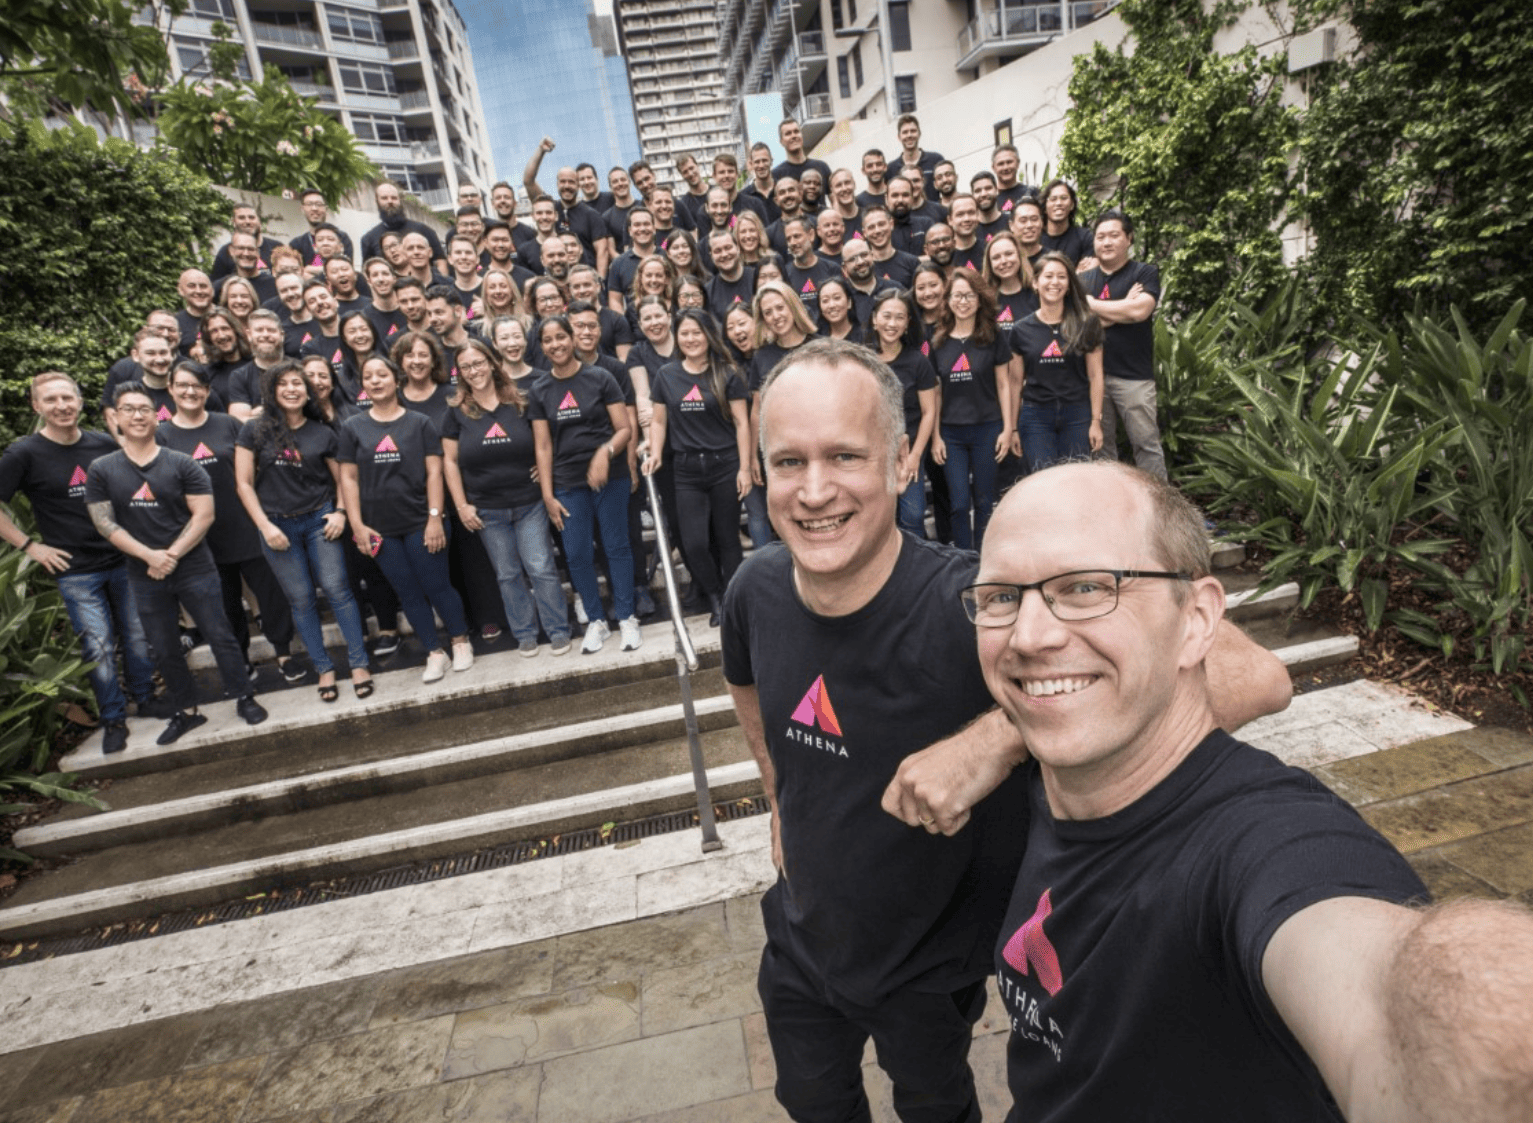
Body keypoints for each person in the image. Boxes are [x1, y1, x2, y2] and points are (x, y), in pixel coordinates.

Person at [724, 341, 1291, 1123]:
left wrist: (994, 737)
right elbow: (747, 686)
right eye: (789, 461)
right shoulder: (753, 587)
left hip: (927, 963)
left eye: (844, 456)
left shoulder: (978, 603)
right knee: (811, 1100)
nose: (814, 490)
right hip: (799, 936)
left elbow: (1256, 674)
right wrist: (776, 800)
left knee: (936, 1106)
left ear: (899, 463)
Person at [972, 461, 1533, 1122]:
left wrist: (1480, 1038)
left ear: (1196, 620)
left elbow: (1394, 1002)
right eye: (1000, 597)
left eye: (1087, 587)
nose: (1029, 635)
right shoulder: (1053, 790)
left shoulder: (1261, 843)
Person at [86, 383, 268, 745]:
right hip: (143, 572)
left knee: (219, 633)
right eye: (128, 409)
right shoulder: (102, 469)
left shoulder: (182, 462)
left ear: (157, 417)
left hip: (194, 565)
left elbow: (204, 515)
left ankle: (244, 696)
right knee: (164, 644)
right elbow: (104, 524)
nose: (138, 416)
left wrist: (169, 555)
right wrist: (149, 556)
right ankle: (185, 710)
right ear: (116, 417)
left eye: (145, 409)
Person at [0, 372, 161, 754]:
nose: (62, 406)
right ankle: (113, 717)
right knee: (98, 646)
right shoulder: (23, 454)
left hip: (122, 560)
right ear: (36, 406)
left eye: (67, 398)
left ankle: (146, 698)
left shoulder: (102, 443)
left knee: (137, 635)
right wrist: (30, 546)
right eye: (51, 400)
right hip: (76, 571)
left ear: (79, 401)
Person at [159, 359, 300, 682]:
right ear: (171, 389)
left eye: (197, 386)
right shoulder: (161, 435)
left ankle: (284, 653)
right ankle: (241, 660)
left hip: (246, 524)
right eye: (182, 385)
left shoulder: (229, 425)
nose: (190, 392)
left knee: (271, 595)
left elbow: (255, 470)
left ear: (208, 390)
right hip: (202, 536)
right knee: (225, 604)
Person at [337, 355, 474, 683]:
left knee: (437, 585)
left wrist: (434, 517)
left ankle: (460, 641)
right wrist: (357, 525)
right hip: (379, 528)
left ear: (396, 379)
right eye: (369, 377)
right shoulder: (352, 427)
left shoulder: (420, 423)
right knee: (408, 592)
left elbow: (434, 472)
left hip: (421, 521)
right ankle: (434, 652)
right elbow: (349, 479)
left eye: (382, 374)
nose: (375, 381)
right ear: (363, 385)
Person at [442, 336, 571, 658]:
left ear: (492, 363)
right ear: (459, 373)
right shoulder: (456, 412)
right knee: (508, 574)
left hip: (529, 503)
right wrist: (461, 505)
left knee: (540, 567)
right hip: (487, 509)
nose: (474, 371)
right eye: (466, 367)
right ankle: (525, 633)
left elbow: (544, 444)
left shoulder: (522, 402)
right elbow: (450, 462)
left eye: (478, 363)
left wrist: (544, 473)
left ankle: (557, 629)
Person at [526, 315, 641, 655]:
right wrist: (547, 495)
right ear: (542, 347)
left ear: (572, 338)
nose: (556, 345)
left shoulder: (600, 377)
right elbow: (542, 446)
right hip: (567, 483)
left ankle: (627, 617)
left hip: (610, 478)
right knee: (576, 554)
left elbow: (624, 429)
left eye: (561, 337)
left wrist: (605, 453)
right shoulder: (540, 390)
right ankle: (596, 621)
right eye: (548, 340)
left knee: (616, 546)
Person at [643, 310, 752, 626]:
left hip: (724, 464)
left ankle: (731, 602)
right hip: (687, 470)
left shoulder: (727, 373)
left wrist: (745, 468)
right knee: (694, 544)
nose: (690, 339)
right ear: (676, 337)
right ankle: (714, 594)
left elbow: (742, 423)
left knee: (728, 540)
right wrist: (655, 452)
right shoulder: (666, 375)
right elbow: (658, 421)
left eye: (696, 332)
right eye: (684, 333)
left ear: (708, 335)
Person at [931, 268, 1016, 552]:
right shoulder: (938, 342)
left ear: (980, 300)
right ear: (948, 300)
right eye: (957, 296)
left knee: (983, 501)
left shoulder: (993, 337)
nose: (963, 302)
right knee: (957, 504)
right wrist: (935, 436)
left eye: (969, 296)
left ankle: (983, 555)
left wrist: (1008, 428)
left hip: (987, 428)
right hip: (951, 433)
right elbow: (935, 393)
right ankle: (963, 557)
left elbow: (1004, 384)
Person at [1080, 210, 1165, 479]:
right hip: (1094, 378)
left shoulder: (1144, 272)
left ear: (1128, 238)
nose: (1106, 242)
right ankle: (1109, 501)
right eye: (1100, 236)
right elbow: (1081, 326)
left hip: (1134, 377)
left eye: (1114, 235)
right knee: (1101, 448)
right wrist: (1124, 306)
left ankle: (1159, 503)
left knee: (1146, 445)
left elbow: (1140, 311)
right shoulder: (1083, 280)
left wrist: (1093, 305)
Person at [1014, 252, 1104, 474]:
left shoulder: (1087, 323)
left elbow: (1096, 375)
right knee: (1042, 480)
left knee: (1076, 479)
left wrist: (1095, 421)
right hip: (1036, 416)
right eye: (1048, 276)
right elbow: (1015, 382)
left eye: (1062, 277)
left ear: (1069, 284)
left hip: (1077, 414)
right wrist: (1013, 428)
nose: (1055, 282)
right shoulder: (1020, 330)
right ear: (1035, 283)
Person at [868, 290, 938, 538]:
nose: (892, 323)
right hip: (873, 451)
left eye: (899, 317)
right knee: (879, 517)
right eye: (886, 316)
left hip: (908, 450)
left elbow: (929, 411)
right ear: (874, 319)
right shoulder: (863, 360)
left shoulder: (918, 362)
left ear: (908, 323)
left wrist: (916, 455)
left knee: (913, 515)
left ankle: (915, 558)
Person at [360, 181, 447, 273]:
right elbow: (367, 272)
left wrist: (442, 281)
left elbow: (440, 262)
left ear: (400, 201)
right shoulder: (368, 239)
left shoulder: (424, 230)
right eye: (384, 198)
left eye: (394, 198)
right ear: (377, 202)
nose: (390, 201)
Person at [983, 231, 1039, 346]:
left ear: (1019, 255)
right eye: (996, 257)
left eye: (1008, 254)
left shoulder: (1038, 294)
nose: (1003, 261)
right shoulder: (985, 301)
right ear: (990, 264)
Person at [1038, 177, 1095, 269]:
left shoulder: (1085, 237)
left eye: (1064, 198)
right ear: (1044, 207)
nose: (1058, 203)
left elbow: (1090, 271)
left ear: (1072, 205)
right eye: (1053, 199)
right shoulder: (1036, 239)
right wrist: (1075, 272)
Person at [291, 188, 354, 266]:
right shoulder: (296, 244)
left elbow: (347, 267)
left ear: (326, 208)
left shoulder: (342, 237)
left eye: (319, 204)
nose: (314, 208)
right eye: (309, 204)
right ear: (302, 209)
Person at [773, 119, 833, 187]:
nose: (793, 136)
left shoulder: (822, 167)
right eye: (788, 133)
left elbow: (833, 192)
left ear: (802, 135)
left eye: (796, 131)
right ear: (781, 142)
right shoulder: (776, 175)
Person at [815, 276, 861, 343]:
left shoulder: (865, 337)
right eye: (825, 300)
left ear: (849, 302)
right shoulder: (816, 341)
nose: (832, 305)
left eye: (837, 298)